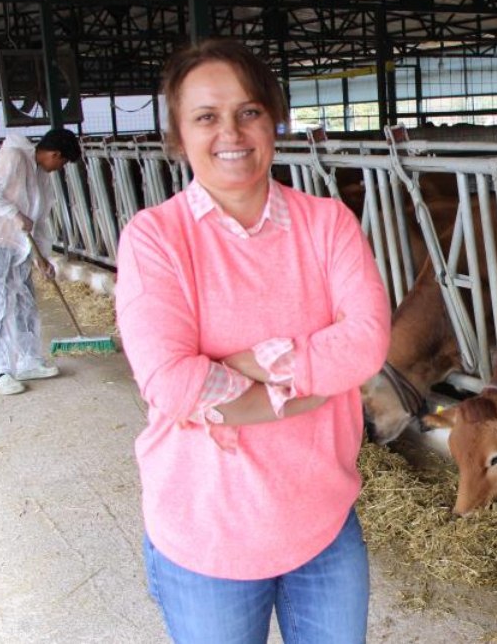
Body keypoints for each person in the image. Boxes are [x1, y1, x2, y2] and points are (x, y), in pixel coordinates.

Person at [114, 38, 391, 644]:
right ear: (178, 135)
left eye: (249, 111)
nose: (231, 133)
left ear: (274, 120)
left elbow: (367, 345)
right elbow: (171, 381)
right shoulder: (154, 240)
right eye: (206, 117)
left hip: (323, 523)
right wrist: (302, 391)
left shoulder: (328, 224)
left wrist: (240, 366)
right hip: (206, 534)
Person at [0, 127, 81, 395]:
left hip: (18, 244)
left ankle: (28, 360)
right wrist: (13, 213)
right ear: (54, 153)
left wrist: (42, 257)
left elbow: (38, 220)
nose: (60, 167)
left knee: (23, 299)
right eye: (62, 162)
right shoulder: (12, 158)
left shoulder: (40, 174)